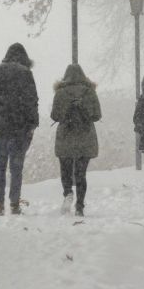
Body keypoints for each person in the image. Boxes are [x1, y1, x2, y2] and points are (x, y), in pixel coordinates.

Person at [0, 43, 39, 216]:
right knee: (16, 166)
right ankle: (14, 204)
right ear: (24, 59)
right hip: (20, 127)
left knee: (0, 165)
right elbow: (32, 101)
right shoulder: (26, 74)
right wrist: (32, 124)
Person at [50, 63, 102, 217]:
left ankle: (68, 192)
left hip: (65, 137)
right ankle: (80, 205)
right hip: (85, 138)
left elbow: (54, 116)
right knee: (81, 174)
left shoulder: (60, 93)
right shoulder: (90, 92)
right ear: (83, 75)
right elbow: (97, 115)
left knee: (65, 171)